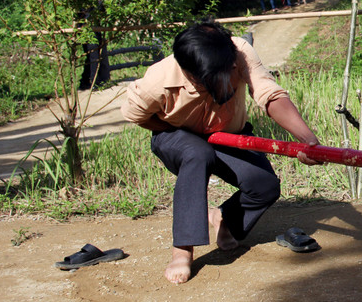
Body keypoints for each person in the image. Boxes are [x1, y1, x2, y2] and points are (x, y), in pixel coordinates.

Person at [121, 22, 321, 285]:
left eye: (228, 73)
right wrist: (176, 129)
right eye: (214, 81)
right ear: (192, 75)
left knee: (264, 186)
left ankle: (223, 217)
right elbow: (135, 115)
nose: (227, 81)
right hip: (175, 137)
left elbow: (269, 94)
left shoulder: (239, 51)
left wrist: (307, 140)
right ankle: (183, 248)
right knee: (197, 153)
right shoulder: (157, 82)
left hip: (229, 135)